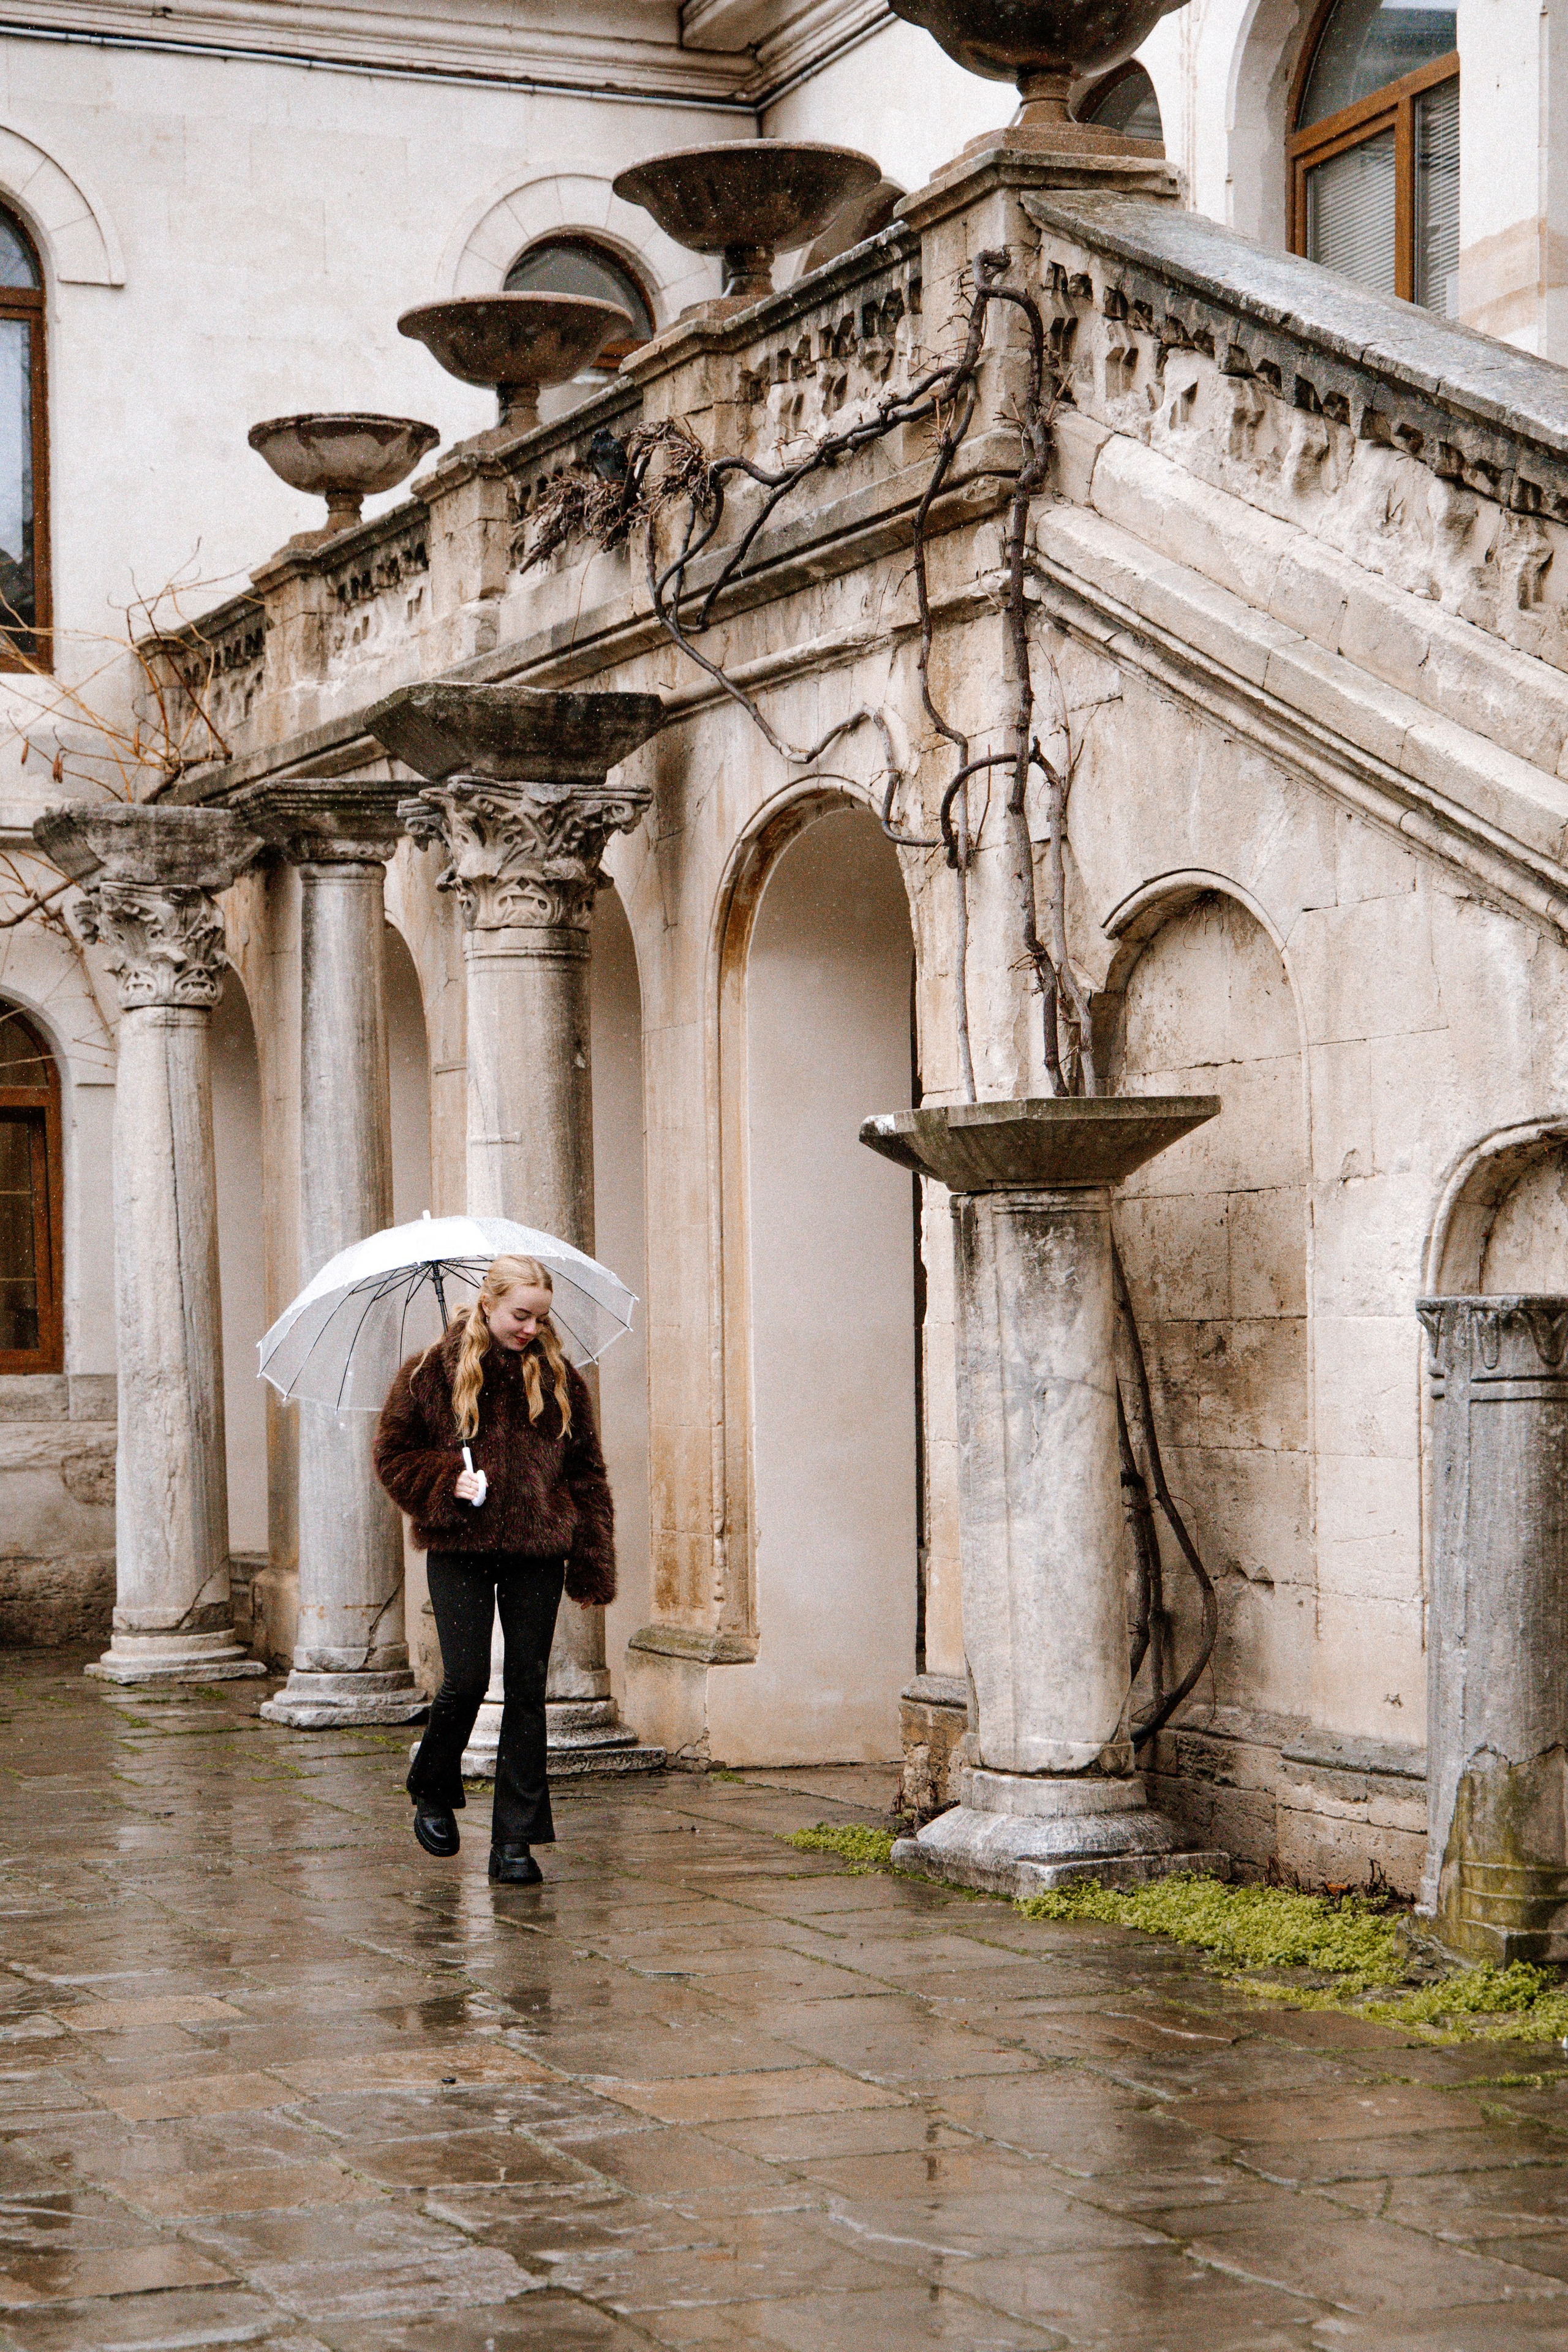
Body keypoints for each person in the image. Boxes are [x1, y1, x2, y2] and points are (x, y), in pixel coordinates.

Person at [372, 1253, 616, 1885]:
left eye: (540, 1317)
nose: (530, 1329)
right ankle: (432, 1786)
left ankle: (515, 1842)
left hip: (539, 1551)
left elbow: (587, 1473)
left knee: (527, 1691)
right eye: (520, 1315)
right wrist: (446, 1480)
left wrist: (592, 1562)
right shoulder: (431, 1372)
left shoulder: (560, 1379)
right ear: (488, 1304)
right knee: (467, 1678)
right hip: (461, 1549)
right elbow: (393, 1456)